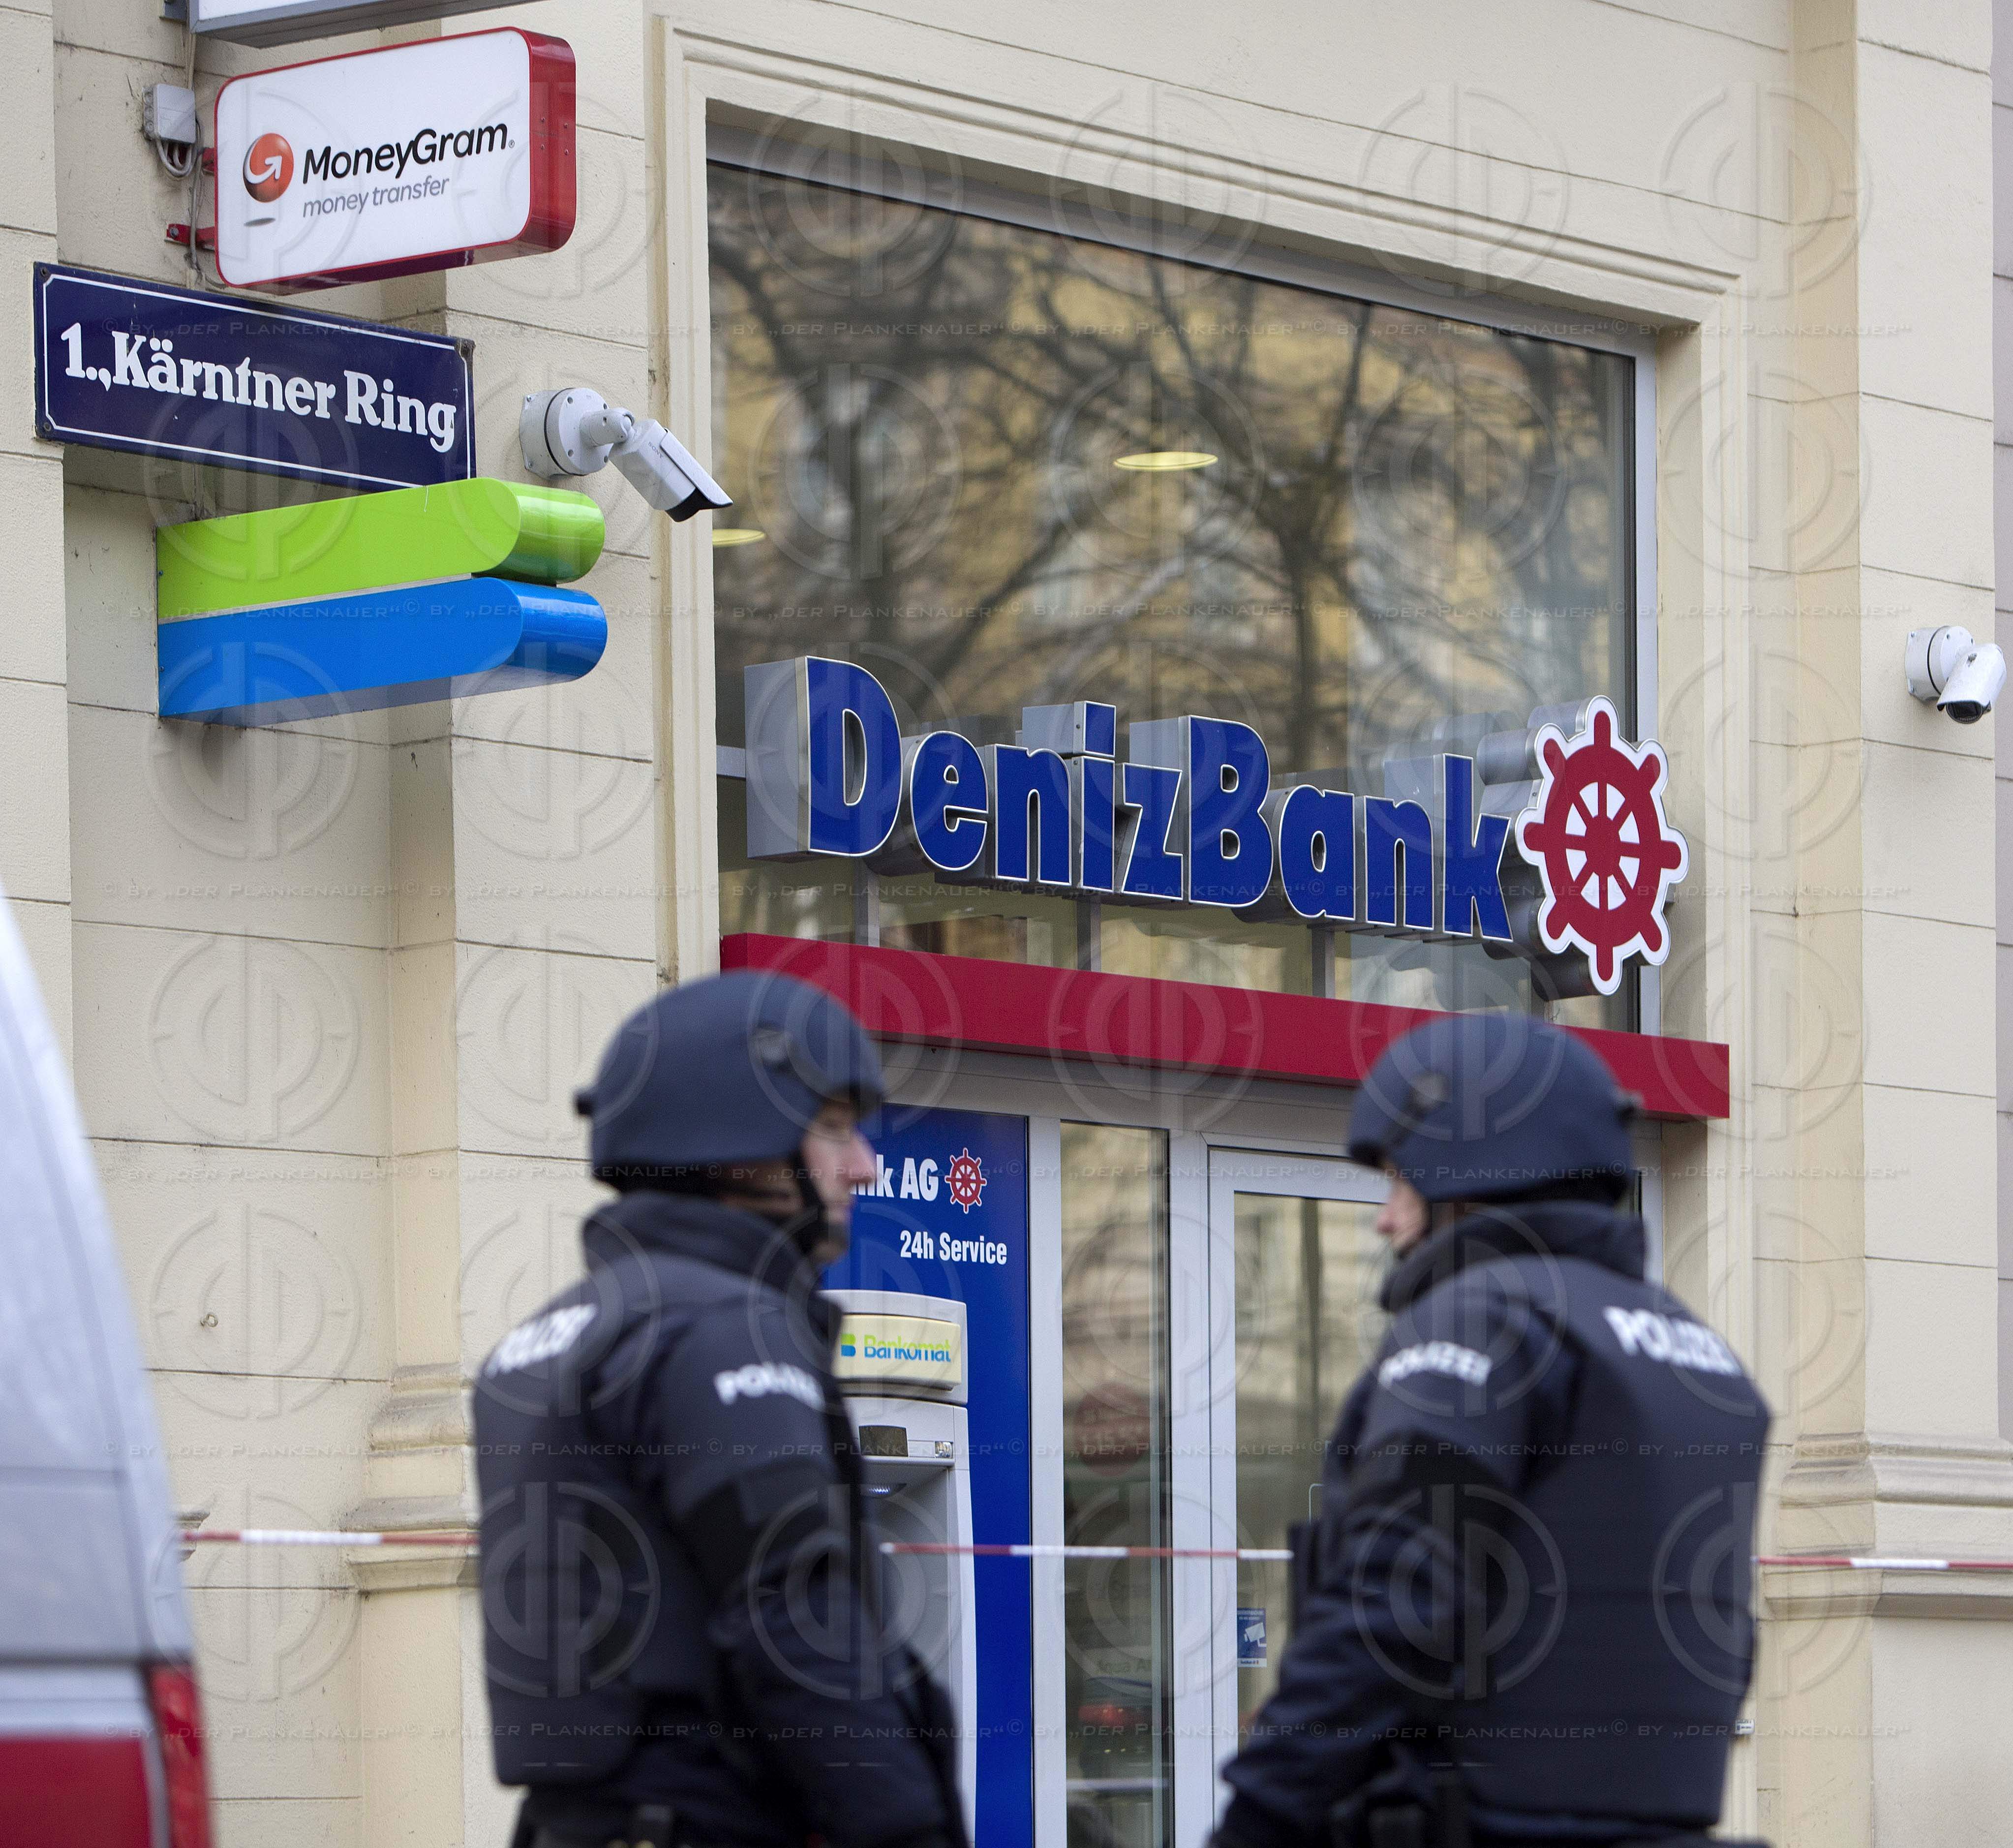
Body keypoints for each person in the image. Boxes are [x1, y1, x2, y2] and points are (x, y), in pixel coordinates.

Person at [1215, 1013, 1770, 1848]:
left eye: (1401, 1183)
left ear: (1469, 1169)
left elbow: (1395, 1602)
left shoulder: (1485, 1318)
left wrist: (1260, 1813)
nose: (1386, 1220)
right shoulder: (1693, 1349)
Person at [473, 971, 967, 1848]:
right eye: (833, 1128)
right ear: (735, 1138)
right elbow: (796, 1620)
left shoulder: (553, 1337)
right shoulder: (721, 1328)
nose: (864, 1165)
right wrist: (907, 1829)